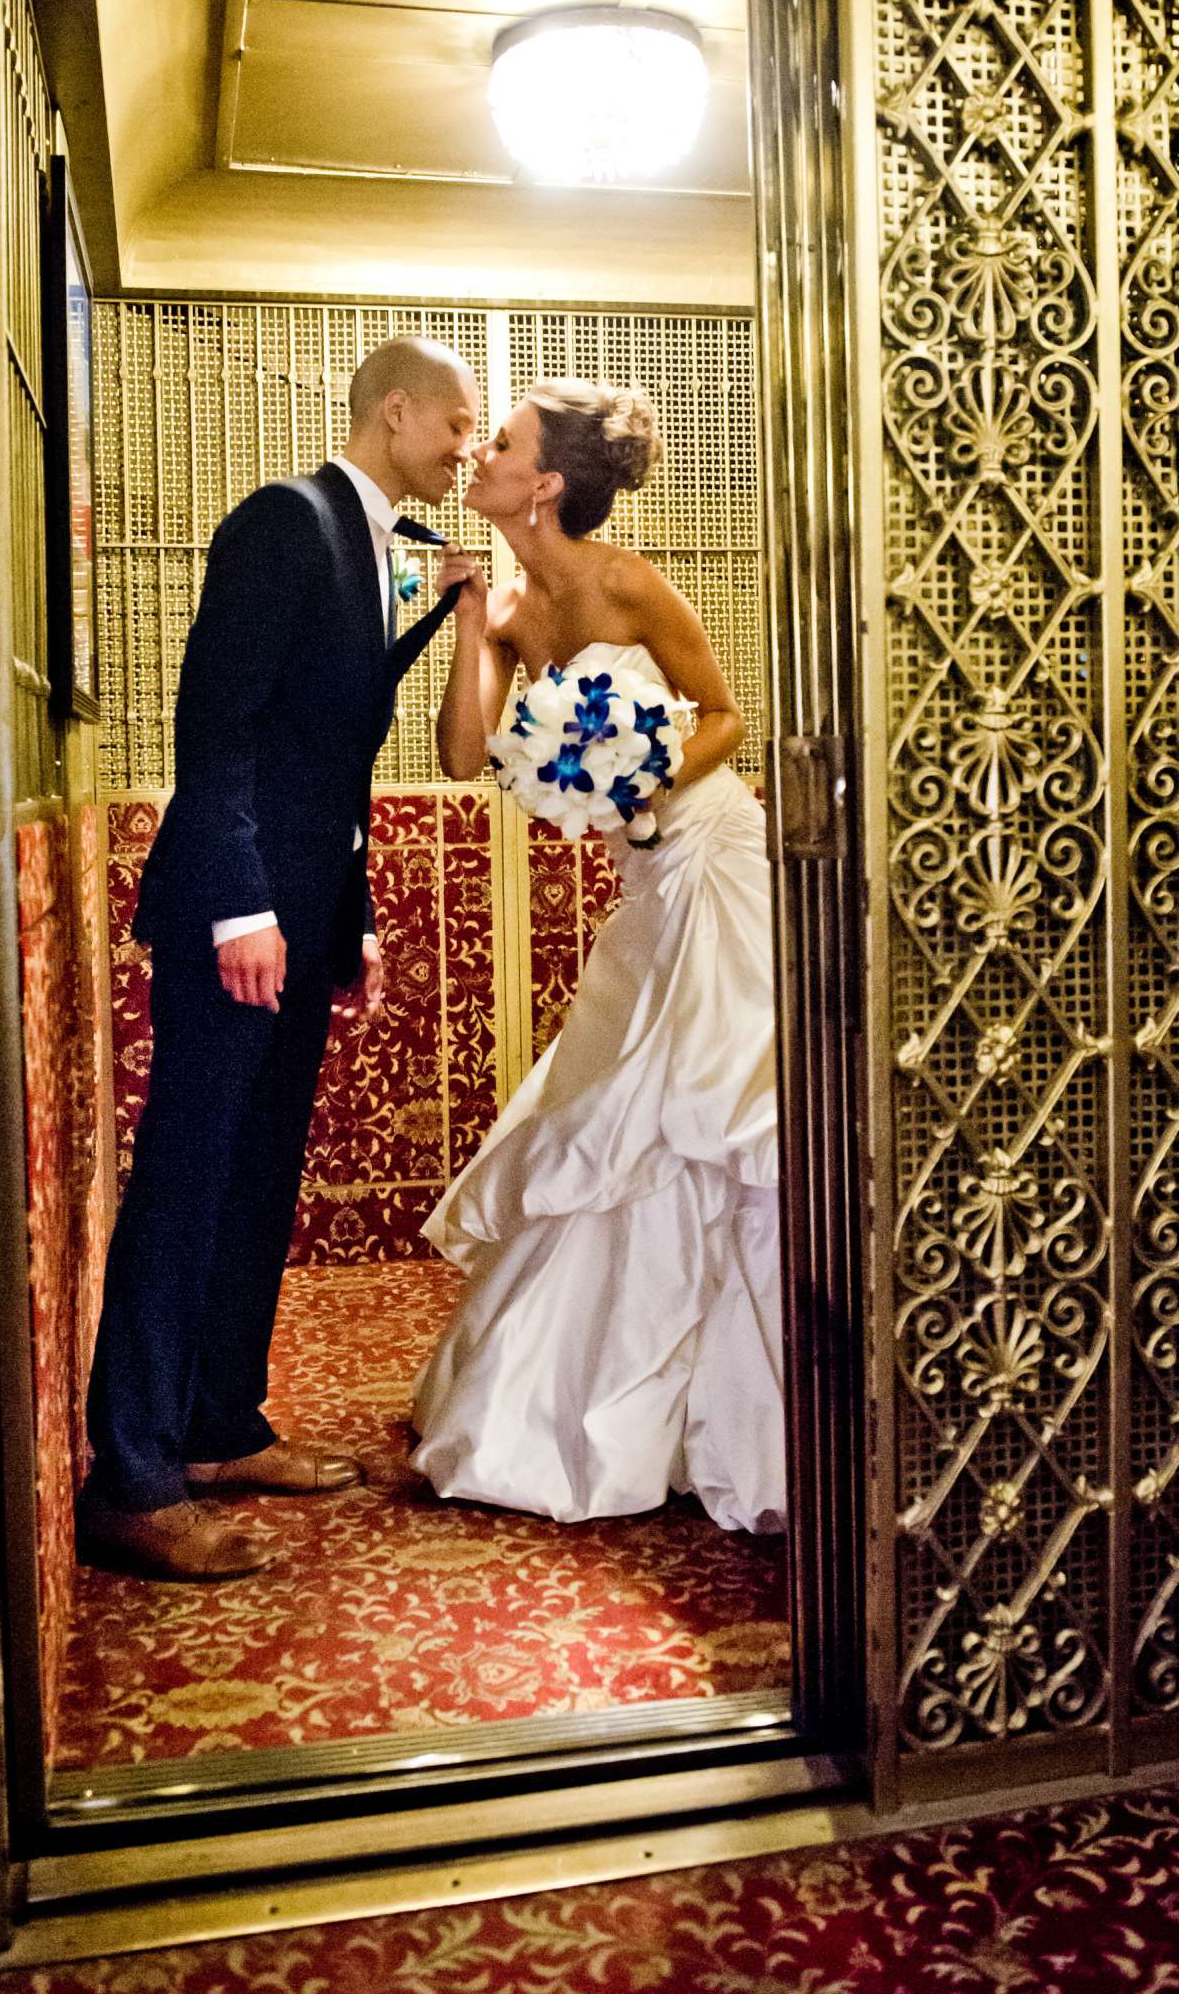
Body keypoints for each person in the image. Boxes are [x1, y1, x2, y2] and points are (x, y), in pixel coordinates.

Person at [82, 336, 480, 1579]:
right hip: (237, 919)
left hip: (304, 916)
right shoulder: (286, 520)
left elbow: (332, 754)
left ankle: (218, 1428)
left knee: (260, 1176)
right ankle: (134, 1478)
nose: (466, 445)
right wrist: (242, 905)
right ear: (396, 410)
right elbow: (222, 725)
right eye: (457, 422)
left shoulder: (372, 545)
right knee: (189, 1181)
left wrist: (344, 911)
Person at [412, 379, 786, 1532]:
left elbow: (722, 713)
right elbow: (467, 753)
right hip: (646, 874)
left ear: (548, 484)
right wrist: (474, 623)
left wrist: (642, 779)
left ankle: (746, 1413)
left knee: (712, 1101)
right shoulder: (520, 609)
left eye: (504, 444)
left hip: (713, 853)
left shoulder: (627, 581)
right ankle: (587, 1401)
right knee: (620, 1098)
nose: (481, 453)